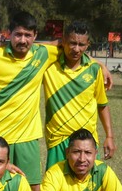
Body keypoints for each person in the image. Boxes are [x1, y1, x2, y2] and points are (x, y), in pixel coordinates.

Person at [0, 11, 61, 191]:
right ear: (9, 34)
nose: (23, 40)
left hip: (28, 136)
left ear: (35, 36)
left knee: (33, 188)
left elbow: (72, 47)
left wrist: (101, 65)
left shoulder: (42, 54)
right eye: (18, 34)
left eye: (28, 35)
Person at [43, 21, 116, 169]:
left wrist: (109, 136)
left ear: (88, 44)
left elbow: (102, 105)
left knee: (89, 190)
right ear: (63, 42)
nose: (76, 49)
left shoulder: (94, 70)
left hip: (87, 141)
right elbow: (33, 47)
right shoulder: (49, 66)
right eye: (72, 43)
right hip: (58, 139)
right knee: (56, 189)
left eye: (81, 45)